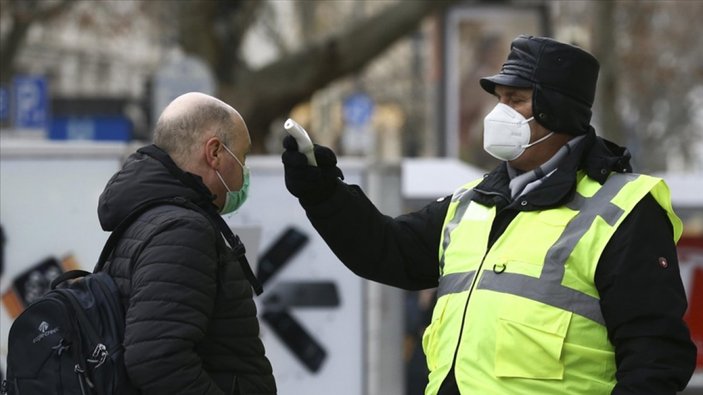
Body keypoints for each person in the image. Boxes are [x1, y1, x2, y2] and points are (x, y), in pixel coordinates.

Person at [281, 35, 697, 395]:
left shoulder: (622, 211)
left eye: (516, 100)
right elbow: (385, 250)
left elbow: (655, 358)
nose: (498, 114)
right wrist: (323, 192)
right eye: (499, 100)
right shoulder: (473, 203)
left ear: (557, 111)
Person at [98, 92, 276, 394]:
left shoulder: (150, 217)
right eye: (243, 158)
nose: (245, 173)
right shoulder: (183, 230)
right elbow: (156, 359)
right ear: (215, 153)